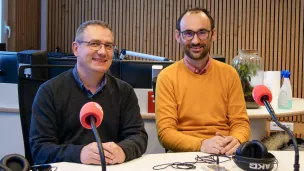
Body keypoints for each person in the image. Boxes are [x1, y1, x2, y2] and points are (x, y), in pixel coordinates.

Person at [30, 20, 148, 165]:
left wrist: (123, 150)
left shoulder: (124, 91)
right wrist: (79, 154)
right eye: (94, 44)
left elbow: (138, 136)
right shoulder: (49, 91)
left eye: (108, 46)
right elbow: (40, 149)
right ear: (76, 48)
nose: (102, 52)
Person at [155, 8, 250, 155]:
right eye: (188, 33)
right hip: (183, 157)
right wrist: (202, 144)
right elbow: (165, 133)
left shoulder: (229, 74)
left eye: (202, 32)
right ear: (178, 36)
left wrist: (237, 140)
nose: (196, 40)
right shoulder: (167, 77)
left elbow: (240, 123)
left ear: (213, 34)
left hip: (225, 153)